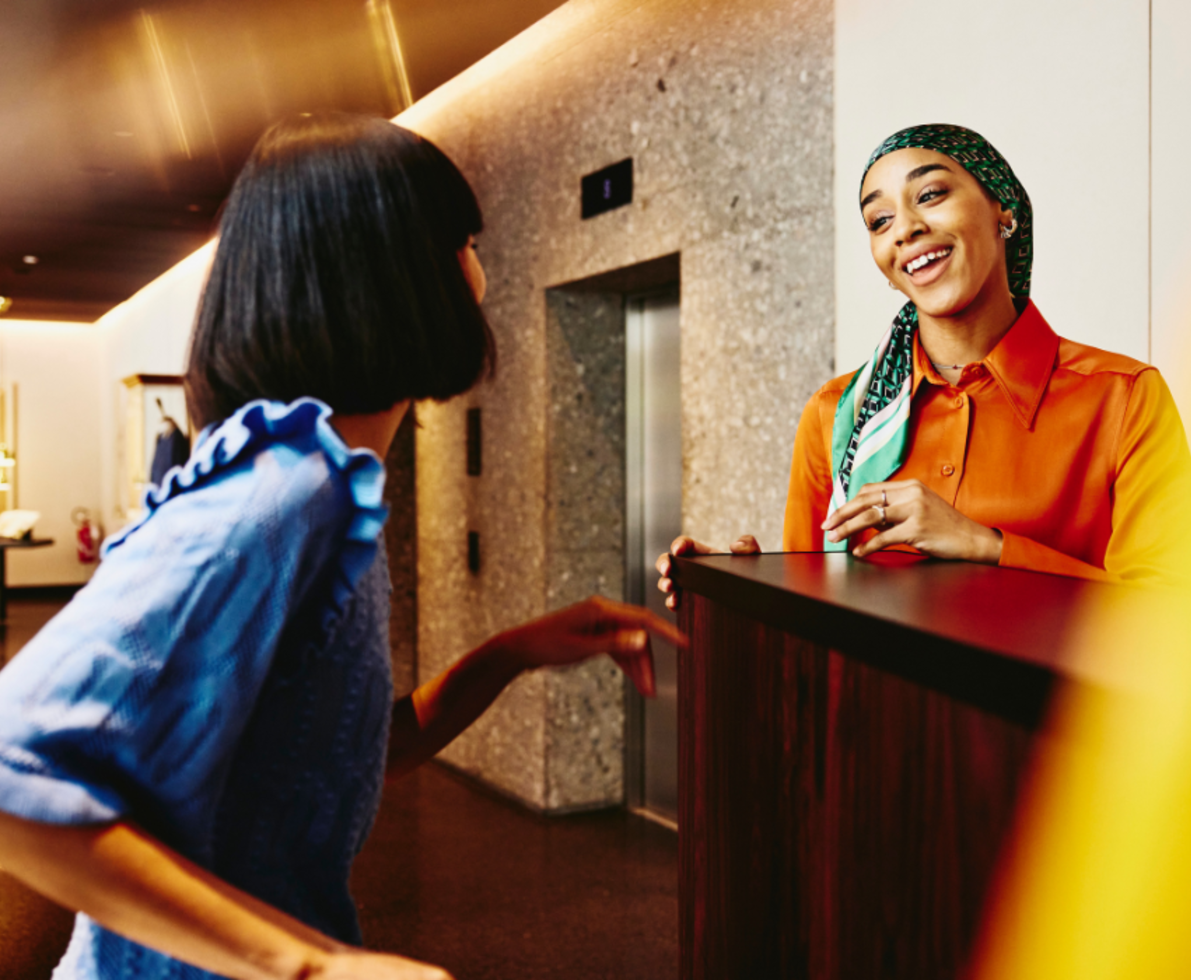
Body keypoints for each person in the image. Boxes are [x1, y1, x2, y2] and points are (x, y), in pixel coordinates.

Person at [0, 113, 682, 980]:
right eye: (465, 242)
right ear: (396, 271)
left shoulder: (332, 484)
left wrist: (512, 654)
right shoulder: (288, 491)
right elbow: (11, 766)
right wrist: (307, 966)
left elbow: (335, 757)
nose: (480, 274)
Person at [657, 123, 1191, 602]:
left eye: (931, 194)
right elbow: (812, 606)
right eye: (879, 219)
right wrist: (736, 586)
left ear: (1003, 208)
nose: (904, 229)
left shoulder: (1124, 397)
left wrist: (986, 545)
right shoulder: (835, 414)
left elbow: (1167, 614)